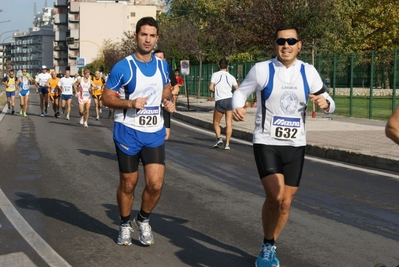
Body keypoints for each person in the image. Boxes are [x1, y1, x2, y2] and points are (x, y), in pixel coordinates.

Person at [232, 24, 335, 267]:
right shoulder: (261, 70)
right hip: (266, 141)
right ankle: (268, 245)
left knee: (286, 202)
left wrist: (325, 103)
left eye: (291, 41)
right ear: (274, 45)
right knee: (275, 195)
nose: (285, 45)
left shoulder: (308, 72)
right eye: (281, 41)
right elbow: (241, 92)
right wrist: (237, 105)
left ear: (299, 45)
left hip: (296, 144)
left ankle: (269, 244)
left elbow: (330, 101)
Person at [102, 16, 175, 247]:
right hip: (128, 131)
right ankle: (124, 224)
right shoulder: (123, 67)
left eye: (152, 36)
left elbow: (164, 91)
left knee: (155, 184)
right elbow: (106, 98)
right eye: (144, 34)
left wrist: (169, 102)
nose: (148, 39)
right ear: (136, 36)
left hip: (153, 131)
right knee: (128, 183)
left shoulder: (163, 66)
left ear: (157, 38)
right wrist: (130, 103)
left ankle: (143, 220)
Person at [209, 58, 239, 149]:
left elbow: (211, 87)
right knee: (229, 123)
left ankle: (219, 138)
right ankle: (227, 144)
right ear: (228, 66)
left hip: (220, 100)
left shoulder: (215, 75)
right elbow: (237, 88)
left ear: (219, 66)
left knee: (216, 122)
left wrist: (216, 90)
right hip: (230, 100)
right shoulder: (231, 77)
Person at [153, 49, 178, 140]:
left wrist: (168, 95)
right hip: (151, 107)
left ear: (164, 59)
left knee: (166, 136)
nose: (159, 60)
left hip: (165, 105)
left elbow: (176, 87)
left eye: (161, 58)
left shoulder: (168, 71)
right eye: (156, 58)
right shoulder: (148, 72)